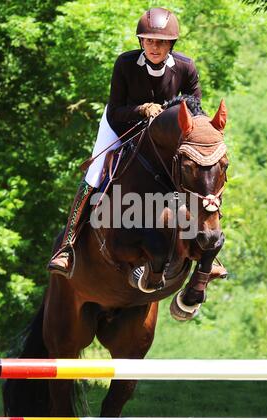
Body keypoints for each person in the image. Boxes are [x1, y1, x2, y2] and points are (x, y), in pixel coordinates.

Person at [47, 7, 227, 281]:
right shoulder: (125, 64)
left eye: (162, 42)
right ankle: (67, 246)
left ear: (171, 44)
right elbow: (115, 110)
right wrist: (142, 109)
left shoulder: (185, 67)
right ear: (141, 42)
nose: (155, 47)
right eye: (150, 41)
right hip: (122, 124)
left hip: (166, 136)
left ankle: (208, 253)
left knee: (197, 174)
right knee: (94, 174)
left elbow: (195, 110)